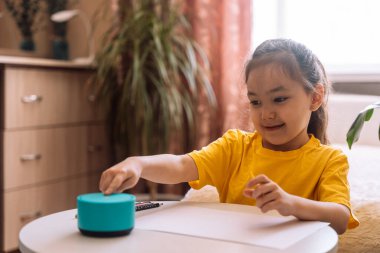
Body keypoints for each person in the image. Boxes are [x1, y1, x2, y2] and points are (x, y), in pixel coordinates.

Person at [99, 39, 359, 234]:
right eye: (255, 102)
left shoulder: (329, 159)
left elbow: (339, 218)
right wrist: (138, 163)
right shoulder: (235, 146)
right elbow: (180, 165)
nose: (266, 113)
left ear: (314, 97)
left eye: (279, 99)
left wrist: (291, 204)